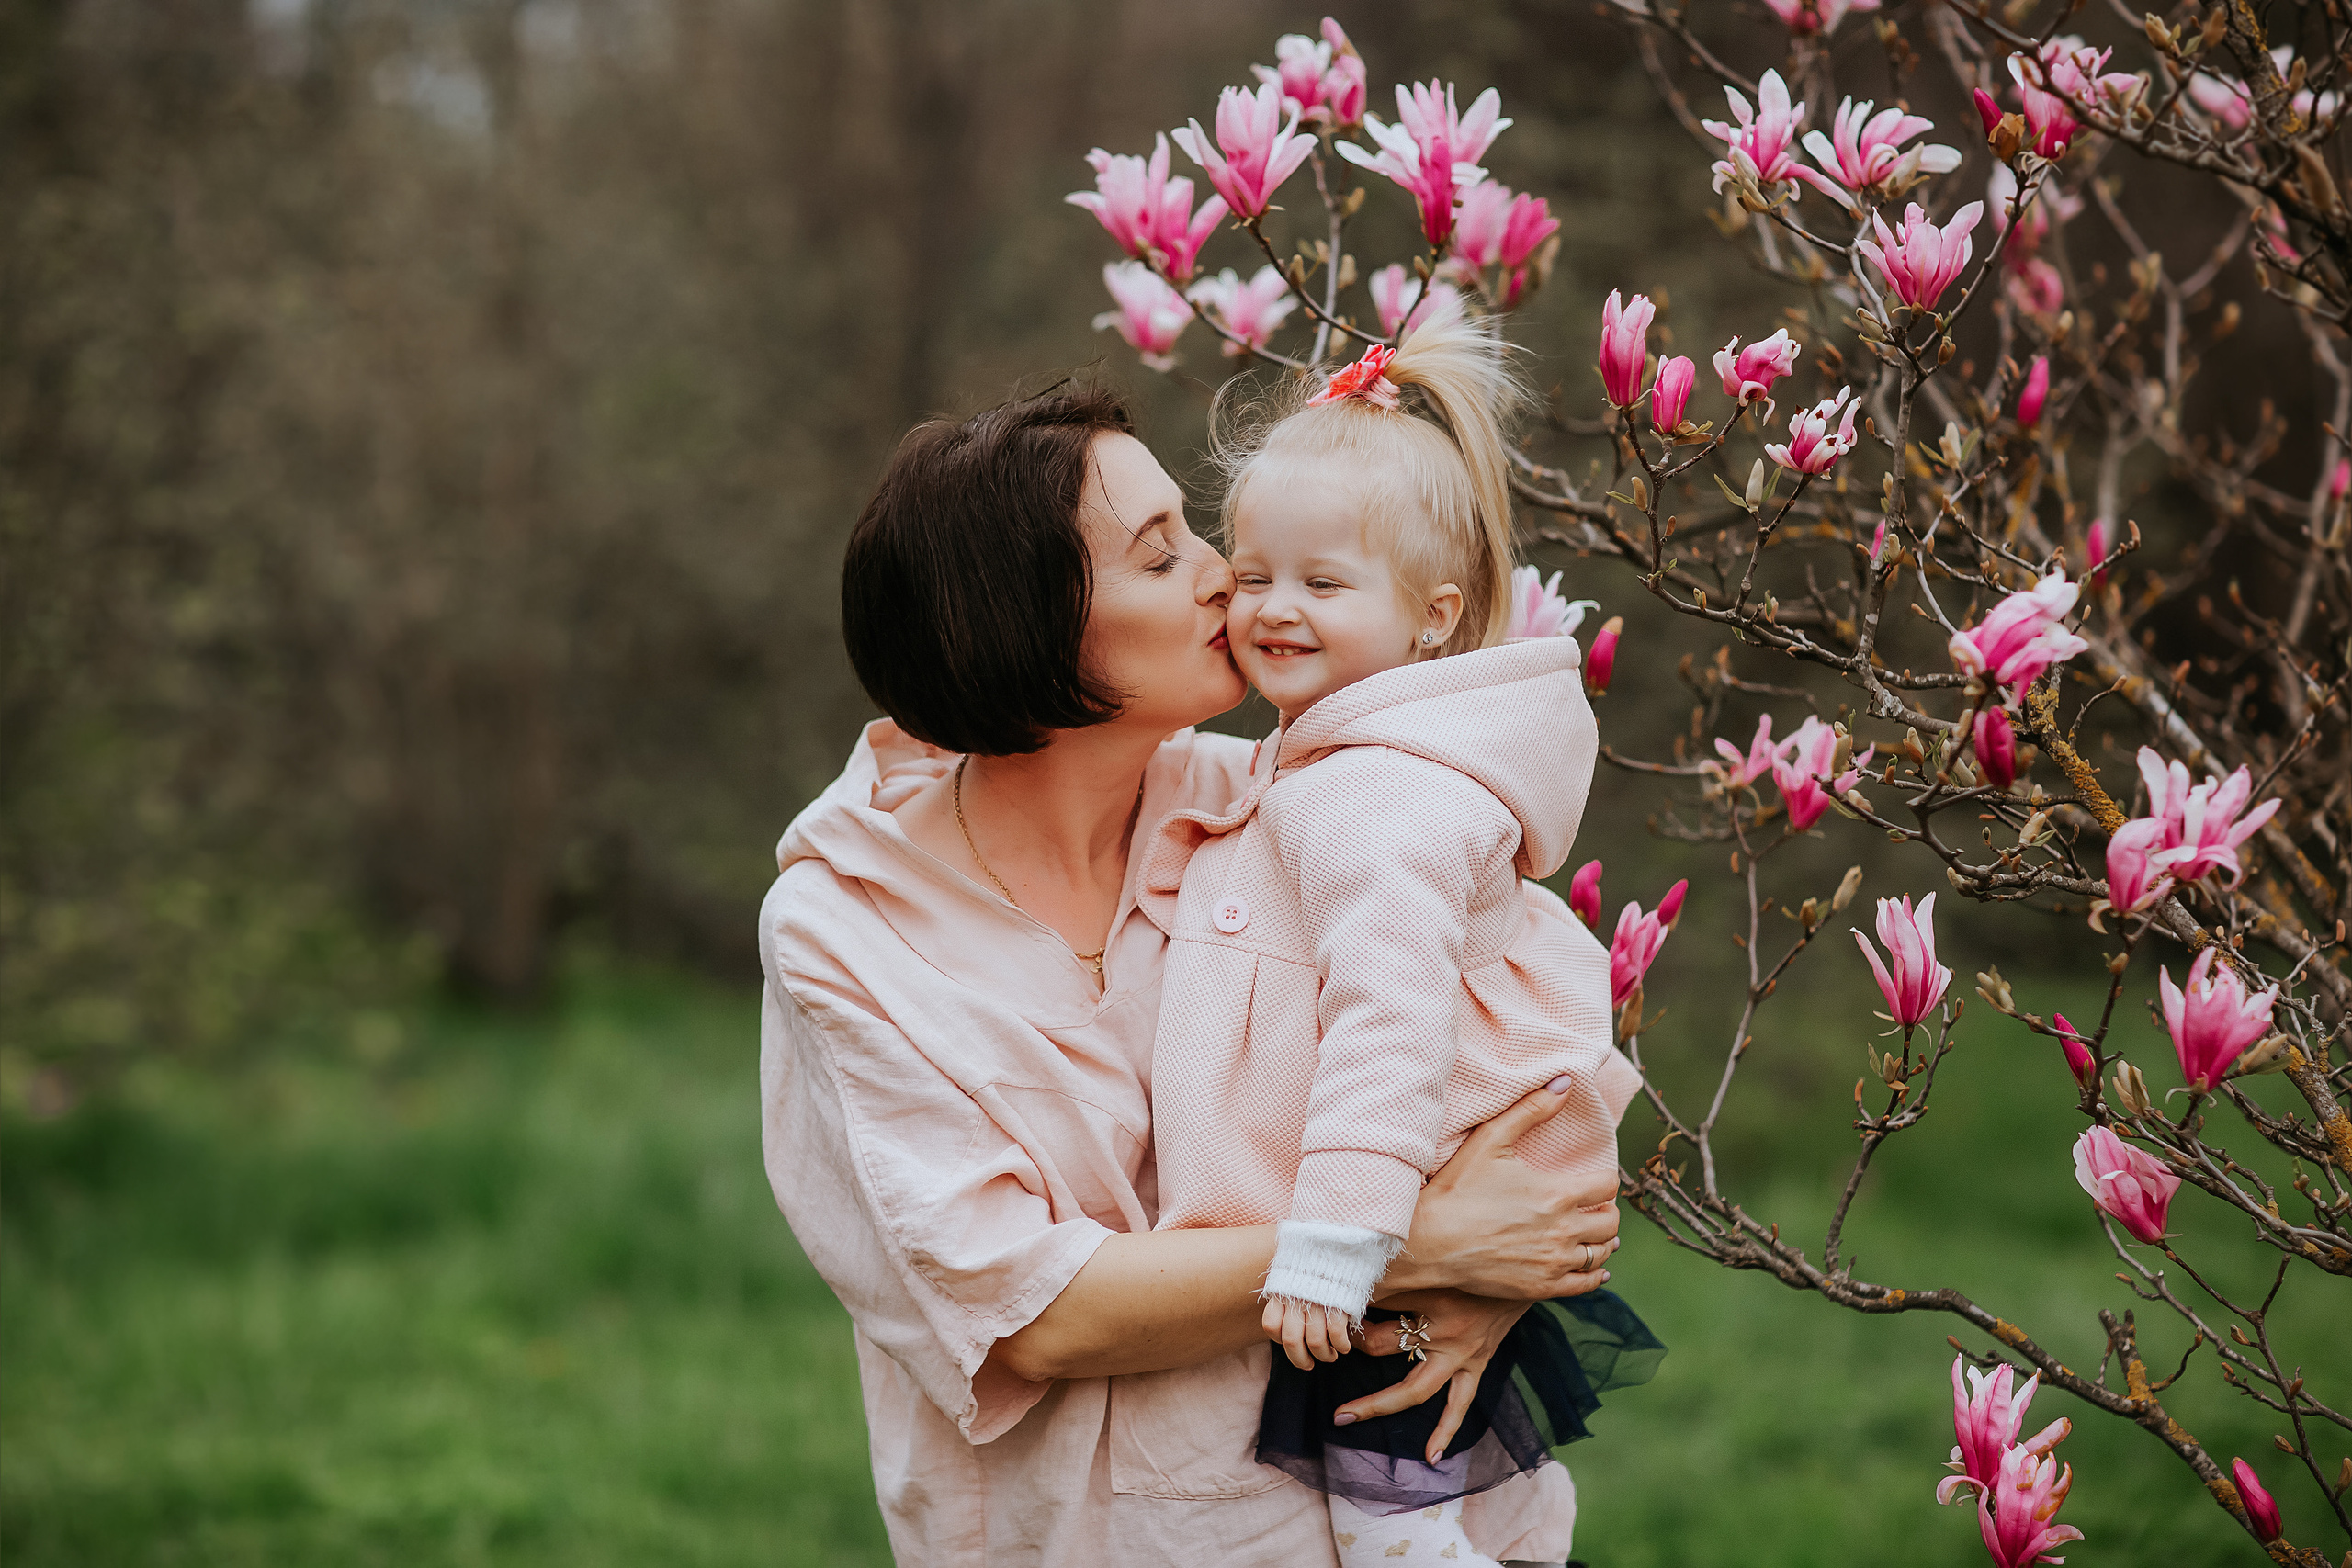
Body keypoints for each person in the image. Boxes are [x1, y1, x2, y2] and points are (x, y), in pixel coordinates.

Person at [758, 383, 1622, 1567]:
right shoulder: (848, 925)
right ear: (1027, 627)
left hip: (1430, 1525)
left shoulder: (1277, 798)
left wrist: (1488, 1277)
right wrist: (1418, 1250)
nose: (1225, 575)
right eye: (1163, 556)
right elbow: (1028, 1314)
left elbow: (1528, 1037)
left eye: (1194, 529)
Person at [1140, 309, 1657, 1568]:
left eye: (1323, 584)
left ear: (1433, 615)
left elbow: (1388, 1016)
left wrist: (1337, 1240)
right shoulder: (1335, 758)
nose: (1273, 608)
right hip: (1407, 1201)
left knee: (1389, 1490)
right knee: (1452, 1465)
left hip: (1383, 1209)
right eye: (1252, 575)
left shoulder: (1383, 799)